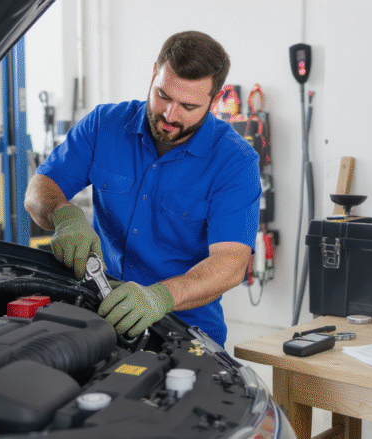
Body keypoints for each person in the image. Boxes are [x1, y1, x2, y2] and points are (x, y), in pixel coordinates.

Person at [24, 30, 260, 346]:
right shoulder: (103, 124)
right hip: (98, 313)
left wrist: (161, 297)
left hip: (185, 328)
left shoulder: (235, 161)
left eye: (188, 107)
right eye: (163, 95)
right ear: (153, 74)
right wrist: (64, 215)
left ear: (214, 102)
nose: (169, 115)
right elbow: (41, 187)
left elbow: (231, 262)